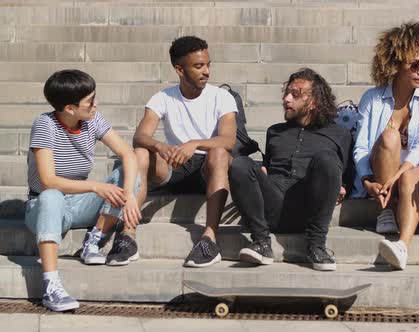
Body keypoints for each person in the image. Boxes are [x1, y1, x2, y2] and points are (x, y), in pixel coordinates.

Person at [25, 69, 141, 311]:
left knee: (128, 173)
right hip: (44, 208)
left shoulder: (92, 120)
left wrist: (128, 194)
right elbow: (48, 180)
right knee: (51, 195)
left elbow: (127, 154)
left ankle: (94, 240)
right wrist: (95, 186)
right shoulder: (45, 125)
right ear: (69, 108)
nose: (95, 105)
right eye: (90, 101)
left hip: (78, 204)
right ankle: (51, 285)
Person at [229, 68, 351, 271]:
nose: (286, 99)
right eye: (287, 93)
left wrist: (341, 185)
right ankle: (261, 243)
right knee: (240, 163)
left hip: (309, 206)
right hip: (273, 204)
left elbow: (343, 173)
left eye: (295, 94)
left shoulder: (339, 134)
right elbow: (266, 170)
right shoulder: (275, 132)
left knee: (326, 158)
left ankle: (316, 246)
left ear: (314, 101)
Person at [133, 36, 237, 268]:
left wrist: (194, 143)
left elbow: (228, 140)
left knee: (220, 153)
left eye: (208, 64)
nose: (206, 71)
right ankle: (127, 235)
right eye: (199, 66)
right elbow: (140, 136)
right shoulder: (162, 98)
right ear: (180, 69)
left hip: (207, 169)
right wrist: (160, 146)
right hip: (174, 166)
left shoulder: (222, 97)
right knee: (142, 152)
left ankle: (209, 239)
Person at [352, 21, 419, 270]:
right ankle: (384, 211)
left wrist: (399, 174)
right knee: (389, 137)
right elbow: (361, 147)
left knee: (408, 179)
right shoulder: (372, 98)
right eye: (414, 65)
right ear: (395, 64)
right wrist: (366, 181)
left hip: (416, 170)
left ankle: (402, 246)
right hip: (380, 170)